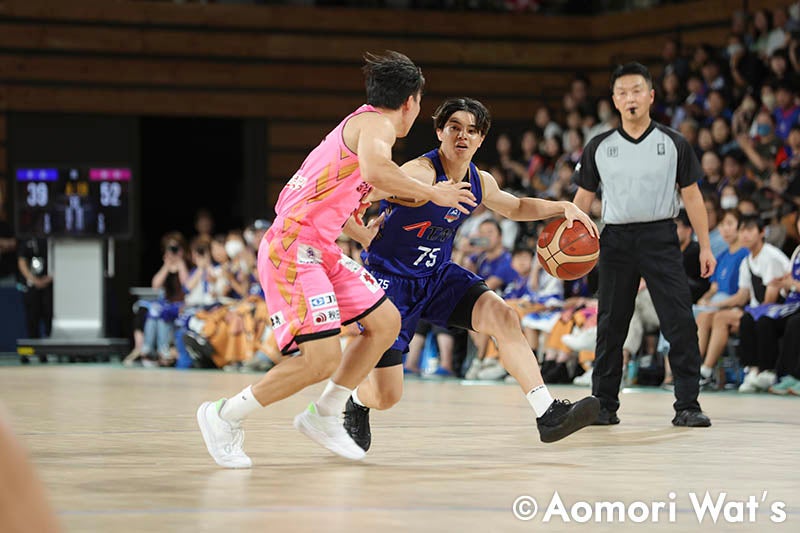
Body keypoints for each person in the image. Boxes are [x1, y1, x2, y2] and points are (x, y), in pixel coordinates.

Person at [196, 51, 475, 468]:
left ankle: (326, 413)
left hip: (318, 246)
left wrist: (358, 229)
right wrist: (435, 192)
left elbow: (326, 196)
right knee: (320, 359)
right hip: (293, 248)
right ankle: (223, 416)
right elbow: (378, 172)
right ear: (411, 103)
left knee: (385, 322)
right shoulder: (378, 126)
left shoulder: (361, 125)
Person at [341, 97, 601, 452]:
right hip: (390, 284)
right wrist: (362, 235)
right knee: (386, 396)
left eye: (473, 131)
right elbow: (349, 195)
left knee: (504, 316)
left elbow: (517, 206)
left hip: (437, 276)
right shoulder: (419, 172)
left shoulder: (480, 181)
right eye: (455, 128)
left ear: (481, 139)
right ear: (440, 132)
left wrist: (563, 206)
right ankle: (356, 400)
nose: (463, 136)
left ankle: (547, 413)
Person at [572, 62, 715, 427]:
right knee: (611, 324)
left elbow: (694, 197)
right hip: (616, 240)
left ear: (651, 96)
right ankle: (604, 404)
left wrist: (705, 246)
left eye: (637, 90)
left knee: (680, 319)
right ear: (615, 101)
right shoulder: (599, 147)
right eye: (622, 92)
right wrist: (571, 243)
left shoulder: (673, 142)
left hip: (660, 237)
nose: (630, 98)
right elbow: (582, 201)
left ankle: (688, 405)